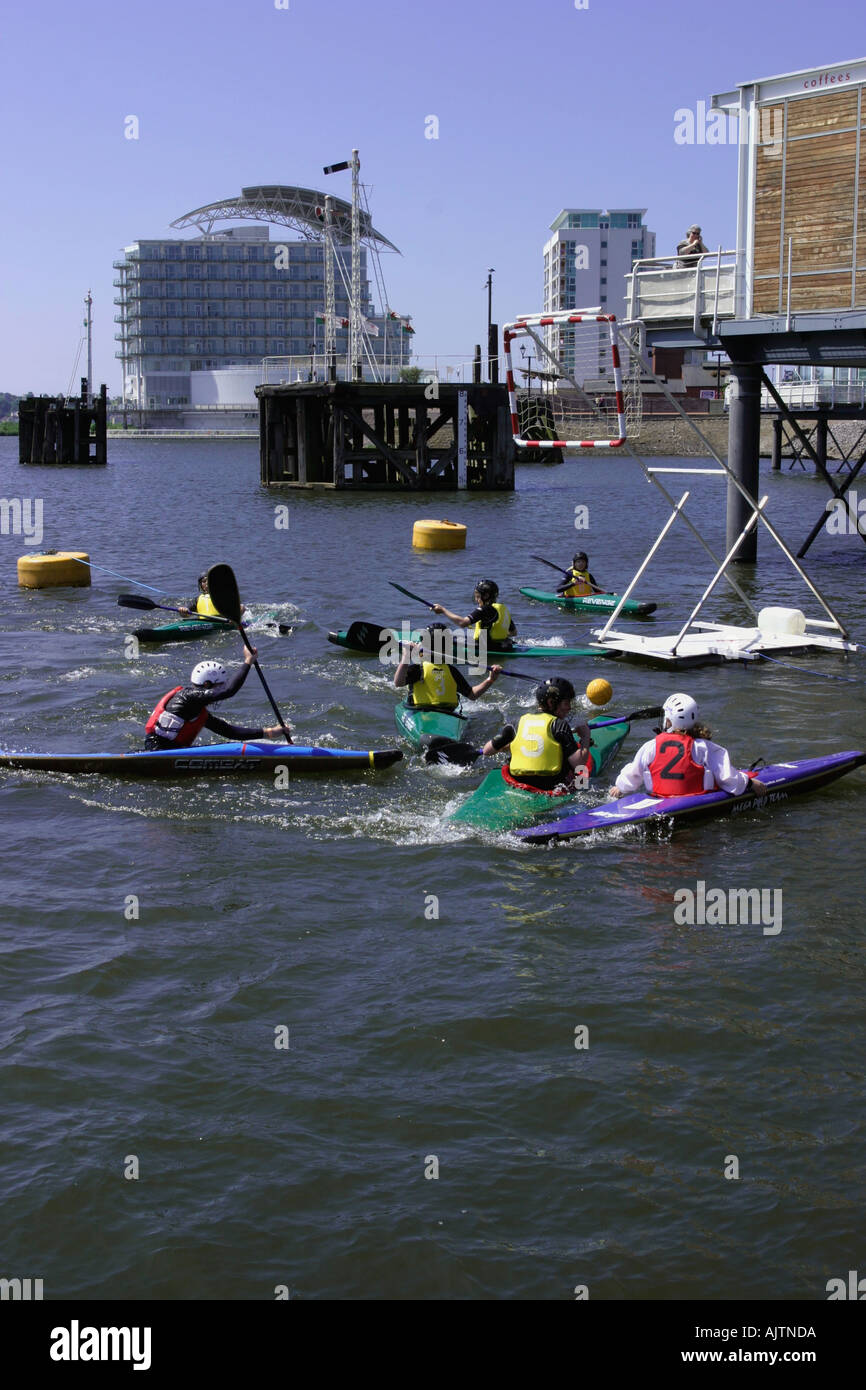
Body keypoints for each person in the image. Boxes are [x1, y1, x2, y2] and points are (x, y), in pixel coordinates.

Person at [608, 693, 766, 800]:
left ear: (668, 721)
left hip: (659, 799)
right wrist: (750, 784)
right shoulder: (703, 747)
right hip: (694, 801)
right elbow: (727, 777)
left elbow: (634, 773)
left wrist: (620, 787)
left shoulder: (651, 746)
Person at [145, 643, 287, 750]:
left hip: (171, 750)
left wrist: (268, 732)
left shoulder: (196, 710)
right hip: (157, 749)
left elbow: (230, 731)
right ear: (207, 684)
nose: (221, 689)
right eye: (220, 685)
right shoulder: (188, 697)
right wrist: (248, 661)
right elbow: (229, 690)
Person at [481, 677, 593, 790]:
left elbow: (487, 751)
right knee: (581, 774)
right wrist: (585, 737)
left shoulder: (516, 723)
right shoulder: (560, 725)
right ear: (551, 703)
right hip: (551, 787)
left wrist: (511, 746)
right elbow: (579, 763)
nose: (569, 708)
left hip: (517, 783)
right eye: (566, 703)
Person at [394, 624, 502, 708]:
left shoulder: (449, 670)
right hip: (421, 711)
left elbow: (472, 694)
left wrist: (491, 679)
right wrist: (406, 657)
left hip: (444, 714)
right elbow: (398, 682)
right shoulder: (420, 669)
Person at [431, 579, 517, 649]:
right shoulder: (502, 609)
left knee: (443, 637)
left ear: (486, 596)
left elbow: (462, 623)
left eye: (478, 596)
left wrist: (443, 610)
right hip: (504, 645)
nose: (476, 599)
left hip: (485, 647)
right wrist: (498, 637)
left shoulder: (485, 609)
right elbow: (513, 632)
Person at [178, 572, 247, 621]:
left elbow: (242, 608)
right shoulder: (198, 599)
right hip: (202, 623)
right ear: (201, 585)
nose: (207, 583)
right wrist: (183, 611)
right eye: (204, 581)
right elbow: (186, 615)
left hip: (221, 622)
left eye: (209, 580)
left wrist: (234, 618)